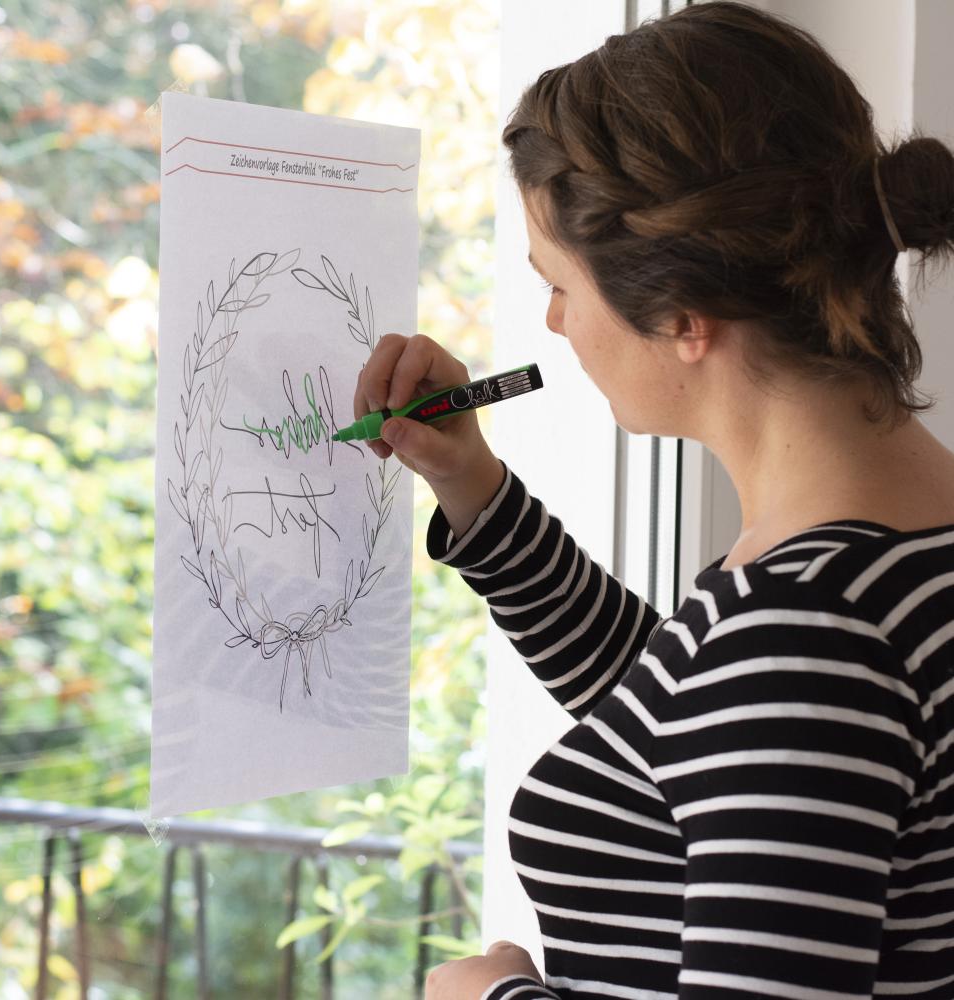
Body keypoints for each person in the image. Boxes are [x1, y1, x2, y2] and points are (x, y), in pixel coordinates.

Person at [353, 2, 954, 996]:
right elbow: (684, 719)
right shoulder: (884, 556)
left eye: (561, 287)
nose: (551, 322)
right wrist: (474, 486)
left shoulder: (808, 632)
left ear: (680, 316)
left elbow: (754, 702)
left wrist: (492, 998)